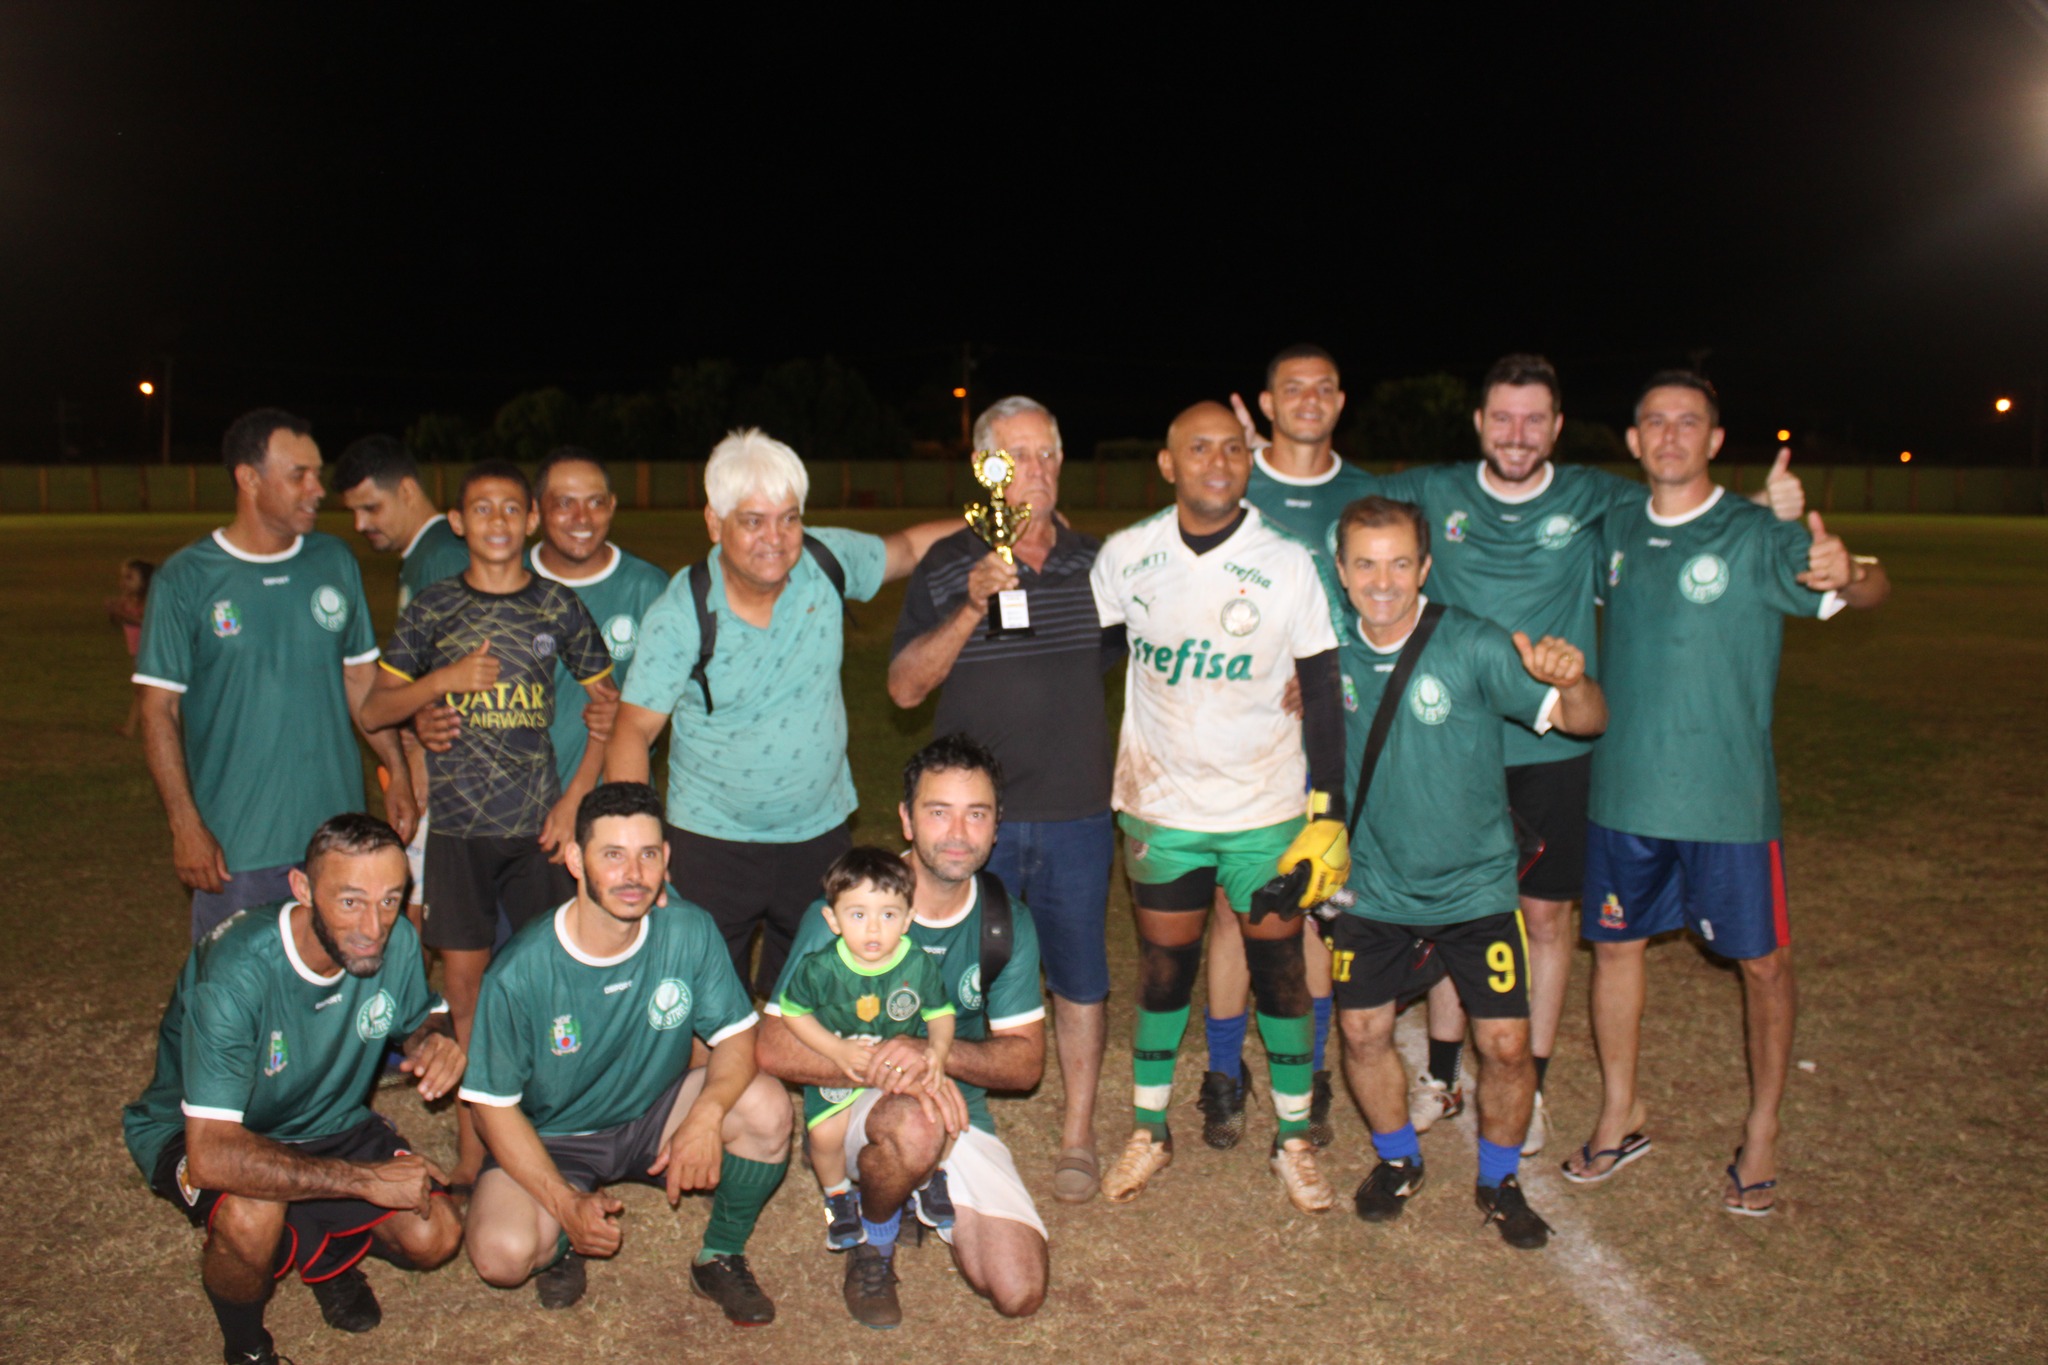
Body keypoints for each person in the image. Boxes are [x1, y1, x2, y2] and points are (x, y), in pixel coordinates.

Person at [1367, 354, 1804, 1154]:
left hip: (1557, 743)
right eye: (1502, 417)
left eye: (1535, 419)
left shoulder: (1597, 497)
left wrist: (1766, 513)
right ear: (1478, 423)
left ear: (1558, 428)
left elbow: (1687, 513)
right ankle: (1440, 1070)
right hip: (1455, 741)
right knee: (1455, 905)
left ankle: (1527, 1082)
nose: (1517, 434)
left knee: (1546, 917)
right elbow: (1347, 516)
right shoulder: (1432, 489)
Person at [1562, 372, 1887, 1214]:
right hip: (1624, 791)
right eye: (1654, 423)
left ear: (1714, 438)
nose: (1670, 435)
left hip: (1728, 801)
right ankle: (1618, 1113)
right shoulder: (1616, 527)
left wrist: (1848, 570)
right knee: (1617, 951)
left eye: (1689, 423)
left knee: (1765, 966)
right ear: (1633, 442)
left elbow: (1863, 590)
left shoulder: (1758, 534)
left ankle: (1764, 1128)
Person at [1089, 401, 1353, 1214]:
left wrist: (1328, 812)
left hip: (1266, 809)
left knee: (1279, 969)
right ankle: (1148, 1129)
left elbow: (1322, 691)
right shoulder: (1127, 555)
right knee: (1165, 971)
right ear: (1167, 463)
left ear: (1250, 460)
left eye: (1233, 447)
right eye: (1197, 447)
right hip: (1160, 806)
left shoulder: (1286, 561)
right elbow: (1086, 660)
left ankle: (1296, 1139)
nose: (1217, 459)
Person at [1325, 496, 1608, 1249]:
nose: (1381, 580)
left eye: (1398, 563)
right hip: (1373, 886)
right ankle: (1397, 1159)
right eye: (1364, 563)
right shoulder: (1323, 653)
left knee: (1507, 1048)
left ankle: (1498, 1177)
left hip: (1477, 886)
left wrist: (1573, 679)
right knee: (1360, 1032)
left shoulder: (1475, 645)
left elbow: (1588, 720)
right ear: (1341, 571)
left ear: (1423, 566)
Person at [607, 428, 957, 996]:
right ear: (713, 522)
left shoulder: (826, 559)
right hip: (710, 843)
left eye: (789, 518)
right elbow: (632, 730)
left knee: (807, 997)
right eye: (752, 520)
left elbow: (912, 550)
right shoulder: (682, 611)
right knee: (702, 1001)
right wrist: (634, 850)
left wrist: (998, 524)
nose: (775, 538)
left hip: (818, 836)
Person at [121, 813, 466, 1365]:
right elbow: (212, 1155)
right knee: (252, 1215)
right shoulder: (237, 971)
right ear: (302, 889)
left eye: (390, 899)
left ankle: (324, 1254)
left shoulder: (396, 938)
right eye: (350, 901)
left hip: (329, 1120)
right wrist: (366, 1181)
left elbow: (423, 1017)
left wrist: (434, 1040)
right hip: (218, 1131)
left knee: (436, 1236)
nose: (373, 926)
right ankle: (247, 1346)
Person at [887, 394, 1122, 1203]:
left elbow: (1161, 650)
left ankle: (1078, 1133)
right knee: (948, 974)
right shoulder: (951, 561)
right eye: (1018, 457)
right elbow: (905, 687)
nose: (1039, 471)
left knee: (1079, 978)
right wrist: (971, 606)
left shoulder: (1101, 564)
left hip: (1077, 814)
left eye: (1049, 454)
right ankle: (937, 1121)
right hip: (971, 825)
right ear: (987, 468)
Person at [363, 459, 619, 1187]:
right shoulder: (435, 608)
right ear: (457, 522)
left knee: (548, 988)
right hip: (459, 836)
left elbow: (606, 706)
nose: (499, 522)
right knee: (468, 994)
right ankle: (474, 1156)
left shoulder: (557, 605)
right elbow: (373, 708)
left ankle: (552, 1134)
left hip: (537, 832)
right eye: (483, 509)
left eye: (512, 509)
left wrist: (574, 801)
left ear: (531, 519)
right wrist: (439, 686)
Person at [460, 782, 791, 1323]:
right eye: (612, 855)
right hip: (554, 1139)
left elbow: (734, 1035)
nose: (633, 874)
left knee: (767, 1108)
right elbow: (491, 1106)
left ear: (667, 860)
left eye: (648, 855)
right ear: (575, 859)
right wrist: (564, 1206)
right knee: (503, 1256)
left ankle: (720, 1254)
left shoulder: (687, 930)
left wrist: (705, 1116)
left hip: (652, 1117)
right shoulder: (519, 972)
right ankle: (562, 1239)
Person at [757, 734, 1048, 1329]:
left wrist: (932, 1055)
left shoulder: (1004, 923)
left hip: (955, 1108)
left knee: (1019, 1290)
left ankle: (912, 1179)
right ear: (906, 821)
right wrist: (895, 1071)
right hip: (854, 1097)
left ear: (996, 826)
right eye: (938, 812)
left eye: (978, 814)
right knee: (912, 1124)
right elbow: (774, 1044)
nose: (959, 833)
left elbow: (1025, 1065)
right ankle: (872, 1237)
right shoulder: (851, 909)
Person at [135, 408, 417, 940]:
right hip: (237, 845)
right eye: (298, 476)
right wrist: (185, 824)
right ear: (248, 478)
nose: (316, 489)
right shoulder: (186, 579)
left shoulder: (333, 561)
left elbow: (360, 682)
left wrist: (396, 769)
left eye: (317, 473)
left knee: (335, 996)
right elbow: (158, 710)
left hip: (336, 841)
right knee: (237, 1000)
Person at [1205, 344, 1373, 1155]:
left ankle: (1308, 1069)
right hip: (1241, 734)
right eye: (1291, 388)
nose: (1309, 399)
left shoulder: (1363, 493)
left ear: (1341, 401)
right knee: (1234, 912)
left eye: (1323, 388)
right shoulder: (1235, 479)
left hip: (1324, 735)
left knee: (1310, 905)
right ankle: (1223, 1070)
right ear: (1265, 403)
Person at [776, 846, 956, 1248]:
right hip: (844, 1067)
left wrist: (938, 1052)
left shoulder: (919, 964)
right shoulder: (819, 968)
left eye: (888, 915)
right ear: (833, 919)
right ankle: (837, 1198)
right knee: (824, 1135)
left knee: (943, 1111)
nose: (873, 930)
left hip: (898, 1068)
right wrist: (835, 1051)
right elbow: (793, 1013)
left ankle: (932, 1178)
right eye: (858, 915)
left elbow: (940, 1012)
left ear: (908, 918)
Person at [333, 433, 470, 924]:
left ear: (407, 490)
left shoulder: (443, 558)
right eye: (353, 512)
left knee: (420, 904)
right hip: (436, 754)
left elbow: (470, 667)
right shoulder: (424, 555)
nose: (360, 523)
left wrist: (427, 756)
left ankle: (408, 1001)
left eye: (371, 507)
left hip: (454, 764)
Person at [525, 446, 667, 786]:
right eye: (564, 502)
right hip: (518, 805)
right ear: (535, 509)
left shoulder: (649, 587)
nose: (582, 517)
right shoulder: (506, 583)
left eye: (595, 502)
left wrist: (637, 717)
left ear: (612, 505)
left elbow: (682, 700)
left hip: (616, 799)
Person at [108, 557, 153, 737]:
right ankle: (130, 728)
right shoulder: (128, 599)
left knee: (142, 689)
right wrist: (114, 612)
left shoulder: (147, 602)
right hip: (135, 650)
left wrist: (119, 613)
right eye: (123, 577)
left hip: (148, 649)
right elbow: (118, 622)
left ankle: (131, 728)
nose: (123, 582)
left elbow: (144, 622)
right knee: (140, 690)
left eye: (129, 577)